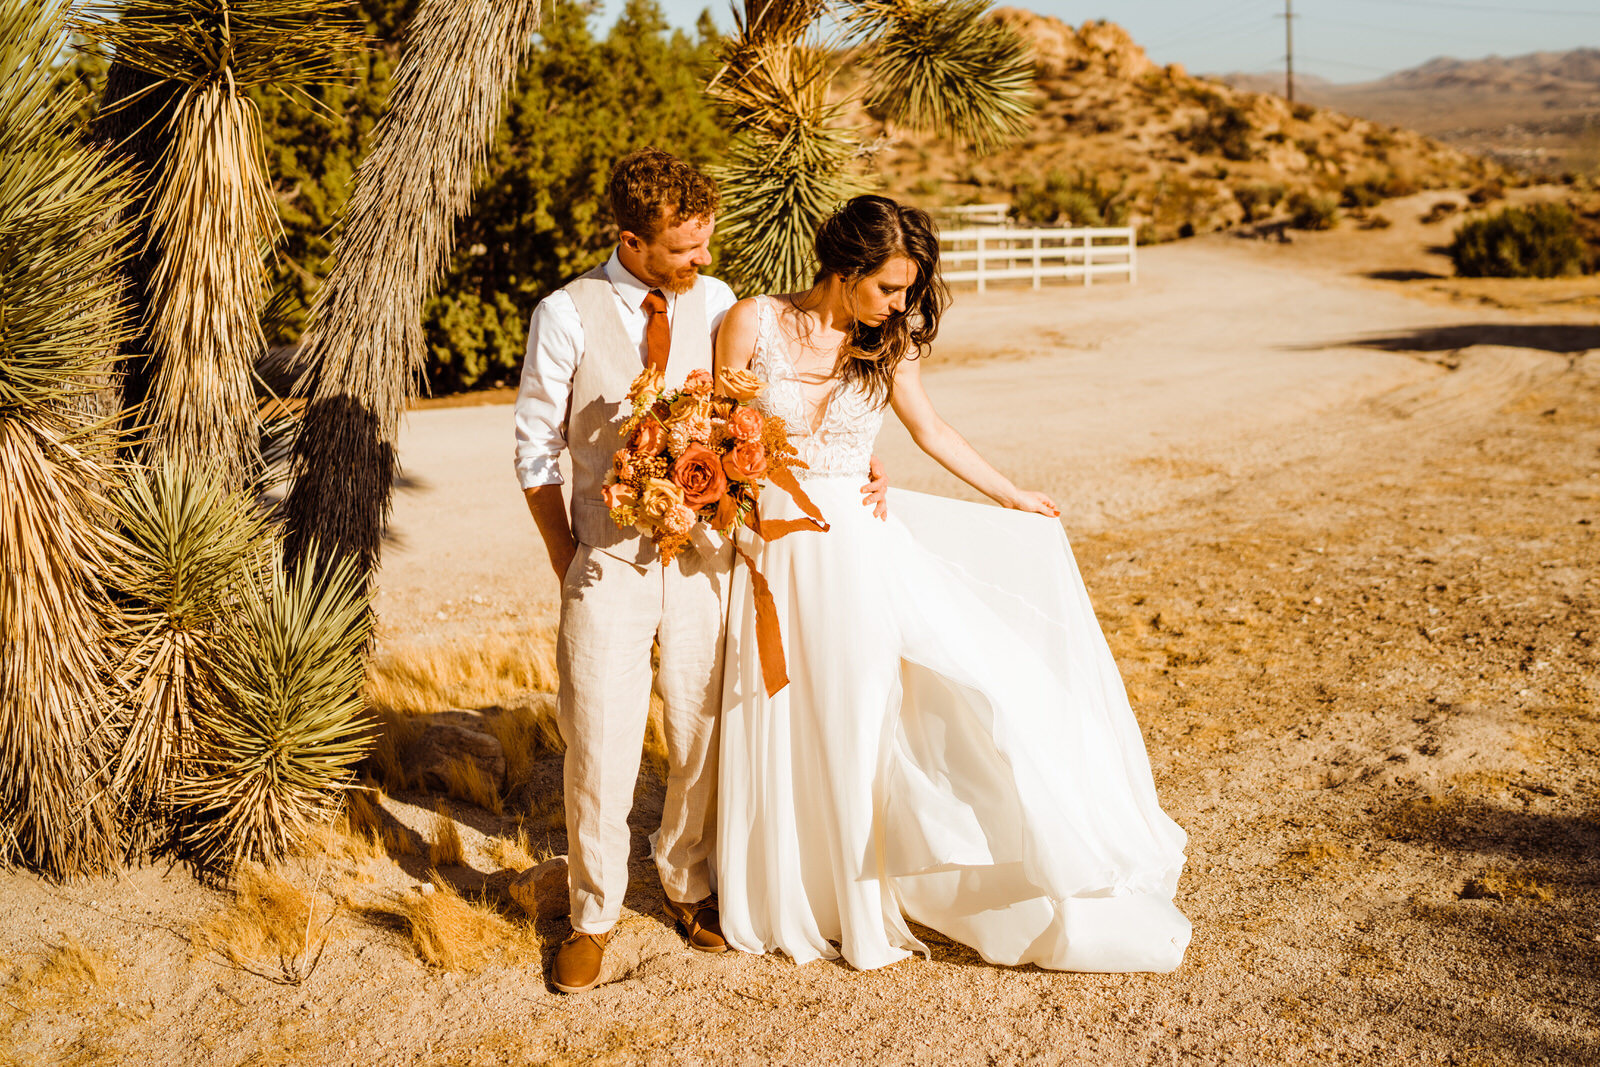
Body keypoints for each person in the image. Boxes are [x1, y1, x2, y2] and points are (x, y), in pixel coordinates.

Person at [713, 194, 1192, 973]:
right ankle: (790, 892)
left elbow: (929, 430)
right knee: (780, 714)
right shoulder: (750, 322)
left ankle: (860, 894)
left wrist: (1011, 495)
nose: (900, 305)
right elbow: (713, 427)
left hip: (856, 552)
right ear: (843, 269)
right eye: (888, 289)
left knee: (863, 712)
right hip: (771, 552)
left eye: (906, 291)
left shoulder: (889, 345)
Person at [513, 149, 886, 993]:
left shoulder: (720, 304)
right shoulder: (565, 313)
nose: (703, 261)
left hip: (707, 557)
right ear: (631, 241)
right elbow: (535, 451)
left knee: (702, 729)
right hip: (604, 560)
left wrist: (859, 463)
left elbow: (773, 412)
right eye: (684, 249)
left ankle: (687, 879)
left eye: (706, 242)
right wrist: (570, 558)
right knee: (600, 738)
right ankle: (593, 914)